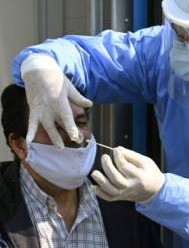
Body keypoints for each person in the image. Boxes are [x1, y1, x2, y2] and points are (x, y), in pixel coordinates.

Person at [11, 0, 189, 247]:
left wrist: (161, 193)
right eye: (175, 30)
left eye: (186, 37)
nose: (174, 42)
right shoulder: (170, 51)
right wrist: (41, 64)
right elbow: (95, 59)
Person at [0, 84, 162, 248]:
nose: (76, 135)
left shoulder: (129, 211)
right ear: (20, 145)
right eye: (57, 127)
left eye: (81, 122)